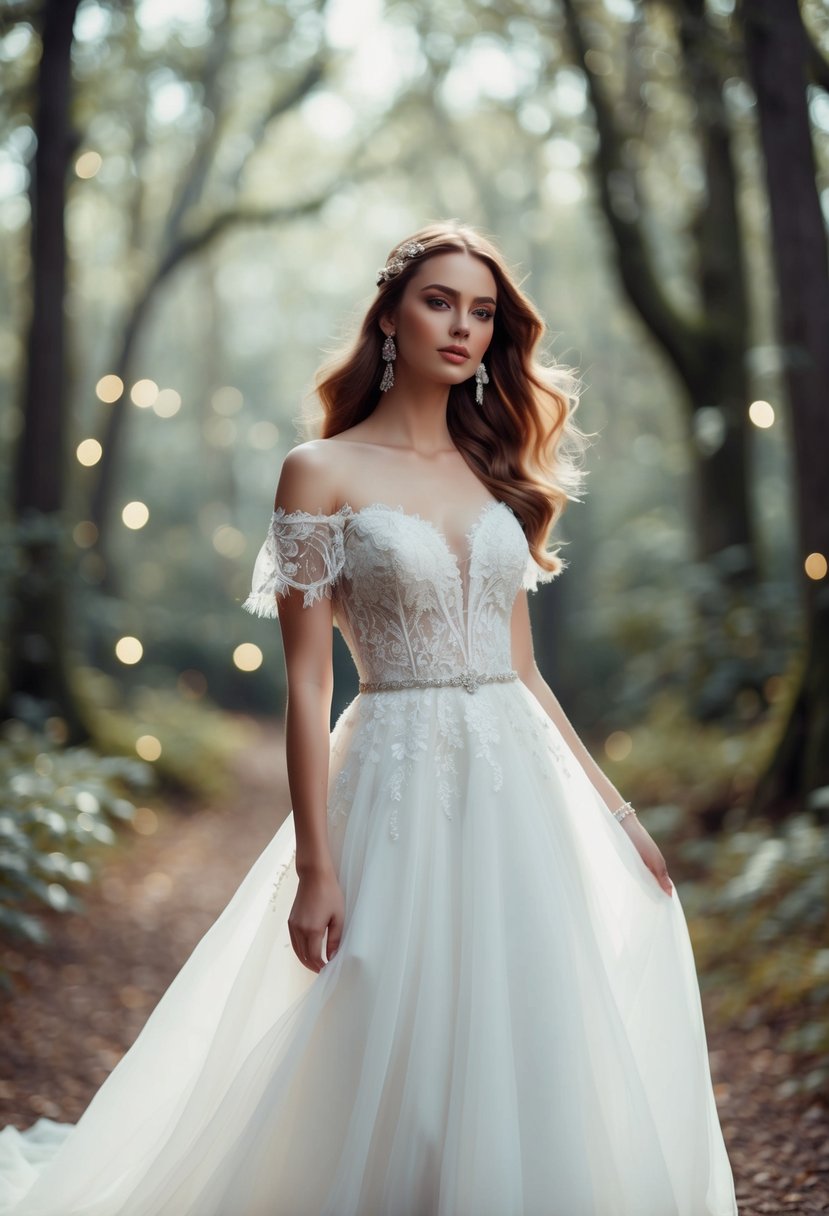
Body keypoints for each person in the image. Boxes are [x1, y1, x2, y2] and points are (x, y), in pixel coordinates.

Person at [0, 221, 739, 1215]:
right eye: (441, 301)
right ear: (391, 313)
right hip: (394, 773)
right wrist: (315, 863)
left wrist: (617, 813)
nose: (463, 327)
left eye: (482, 312)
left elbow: (521, 668)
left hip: (519, 784)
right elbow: (306, 687)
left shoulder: (495, 470)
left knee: (525, 1020)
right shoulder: (320, 471)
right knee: (386, 1011)